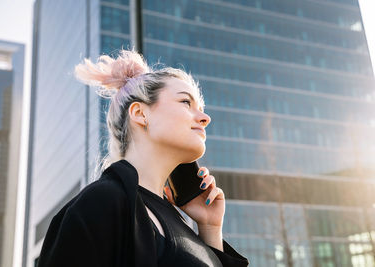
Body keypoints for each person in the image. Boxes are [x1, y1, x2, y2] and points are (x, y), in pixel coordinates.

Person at [37, 49, 249, 267]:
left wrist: (210, 229)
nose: (205, 118)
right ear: (140, 114)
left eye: (201, 109)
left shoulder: (180, 221)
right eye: (186, 102)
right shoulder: (102, 202)